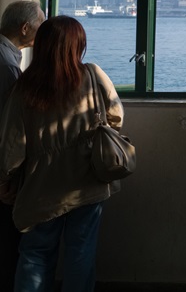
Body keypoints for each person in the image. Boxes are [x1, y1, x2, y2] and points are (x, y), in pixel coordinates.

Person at [0, 15, 123, 291]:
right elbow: (116, 115)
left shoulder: (24, 88)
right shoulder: (92, 75)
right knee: (80, 254)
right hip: (87, 183)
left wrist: (3, 180)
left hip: (40, 188)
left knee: (35, 255)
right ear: (77, 45)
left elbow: (12, 146)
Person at [0, 1, 45, 288]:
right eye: (41, 25)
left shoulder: (8, 57)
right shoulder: (6, 65)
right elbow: (9, 126)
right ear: (25, 28)